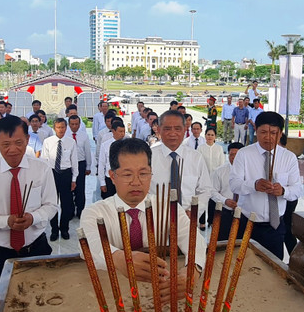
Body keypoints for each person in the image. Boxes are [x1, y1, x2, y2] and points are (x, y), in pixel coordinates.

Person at [79, 139, 205, 290]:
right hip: (113, 290)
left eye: (143, 173)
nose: (136, 182)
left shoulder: (166, 207)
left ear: (151, 174)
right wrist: (118, 258)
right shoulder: (95, 213)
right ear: (112, 176)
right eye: (127, 175)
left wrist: (193, 269)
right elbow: (89, 244)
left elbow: (193, 237)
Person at [0, 116, 58, 281]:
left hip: (36, 248)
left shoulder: (42, 169)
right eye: (6, 144)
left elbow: (52, 206)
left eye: (18, 143)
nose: (12, 149)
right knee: (5, 298)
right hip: (1, 251)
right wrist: (6, 222)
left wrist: (33, 217)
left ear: (27, 139)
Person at [229, 111, 301, 260]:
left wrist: (283, 191)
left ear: (280, 133)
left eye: (273, 133)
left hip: (275, 227)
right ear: (256, 131)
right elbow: (234, 185)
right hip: (247, 223)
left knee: (274, 269)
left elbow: (297, 190)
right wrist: (254, 185)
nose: (268, 137)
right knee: (244, 267)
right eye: (263, 132)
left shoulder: (289, 158)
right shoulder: (244, 154)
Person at [150, 110, 213, 216]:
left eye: (177, 129)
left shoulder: (196, 158)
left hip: (188, 221)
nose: (172, 133)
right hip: (157, 220)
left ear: (185, 130)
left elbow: (205, 190)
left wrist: (194, 212)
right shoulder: (148, 157)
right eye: (167, 129)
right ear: (159, 130)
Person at [41, 118, 78, 240]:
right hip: (52, 173)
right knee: (52, 203)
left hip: (66, 174)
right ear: (54, 128)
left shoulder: (71, 142)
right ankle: (54, 230)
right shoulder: (48, 142)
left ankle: (64, 229)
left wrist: (74, 179)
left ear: (66, 128)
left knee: (66, 204)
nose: (60, 130)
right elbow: (44, 161)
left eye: (63, 127)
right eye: (58, 127)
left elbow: (74, 162)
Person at [210, 142, 245, 241]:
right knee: (223, 243)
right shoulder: (220, 171)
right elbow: (212, 191)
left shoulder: (249, 172)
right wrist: (225, 201)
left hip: (243, 214)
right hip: (225, 213)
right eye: (231, 154)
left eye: (236, 154)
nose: (233, 157)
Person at [197, 127, 226, 228]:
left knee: (213, 200)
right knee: (203, 199)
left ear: (215, 137)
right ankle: (202, 222)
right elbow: (198, 163)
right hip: (203, 178)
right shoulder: (200, 148)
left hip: (215, 179)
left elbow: (222, 164)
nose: (210, 137)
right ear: (205, 136)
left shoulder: (219, 148)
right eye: (208, 135)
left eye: (212, 135)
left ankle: (211, 221)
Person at [67, 115, 92, 218]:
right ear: (69, 124)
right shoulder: (66, 135)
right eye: (72, 124)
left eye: (76, 124)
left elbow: (87, 151)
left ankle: (80, 210)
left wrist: (88, 166)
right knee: (69, 189)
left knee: (80, 189)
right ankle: (70, 210)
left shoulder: (84, 135)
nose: (74, 126)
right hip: (68, 164)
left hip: (80, 163)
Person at [98, 118, 126, 199]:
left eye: (124, 131)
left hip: (123, 178)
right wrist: (102, 182)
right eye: (120, 131)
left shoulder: (127, 144)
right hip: (109, 178)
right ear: (113, 131)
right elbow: (102, 164)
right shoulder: (105, 145)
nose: (122, 134)